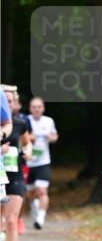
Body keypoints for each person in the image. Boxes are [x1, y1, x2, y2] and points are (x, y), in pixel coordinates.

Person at [1, 86, 32, 241]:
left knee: (11, 220)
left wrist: (27, 151)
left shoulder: (20, 123)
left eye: (11, 101)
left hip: (15, 176)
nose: (8, 104)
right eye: (5, 101)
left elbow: (27, 142)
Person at [26, 96, 58, 230]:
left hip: (43, 162)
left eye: (39, 107)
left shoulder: (48, 121)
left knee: (42, 190)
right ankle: (35, 207)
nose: (37, 109)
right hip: (28, 162)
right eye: (34, 107)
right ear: (30, 109)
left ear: (43, 108)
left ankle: (40, 218)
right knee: (30, 194)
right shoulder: (25, 120)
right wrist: (29, 138)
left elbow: (55, 137)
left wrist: (50, 137)